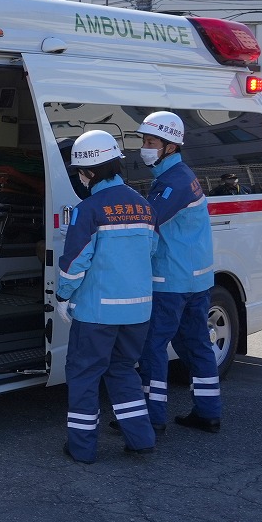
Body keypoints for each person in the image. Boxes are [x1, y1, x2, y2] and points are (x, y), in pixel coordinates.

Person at [56, 131, 159, 463]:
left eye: (81, 173)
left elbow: (74, 264)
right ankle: (141, 439)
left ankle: (83, 448)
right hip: (138, 312)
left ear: (90, 172)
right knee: (124, 370)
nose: (81, 178)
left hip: (97, 313)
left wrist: (61, 295)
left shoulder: (89, 209)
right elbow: (152, 251)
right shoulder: (144, 207)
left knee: (85, 375)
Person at [135, 111, 222, 432]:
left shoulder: (173, 183)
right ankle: (208, 411)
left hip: (170, 281)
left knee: (153, 347)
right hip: (197, 279)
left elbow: (148, 221)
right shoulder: (183, 175)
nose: (145, 147)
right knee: (197, 344)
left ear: (170, 146)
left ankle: (151, 417)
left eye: (151, 142)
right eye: (144, 141)